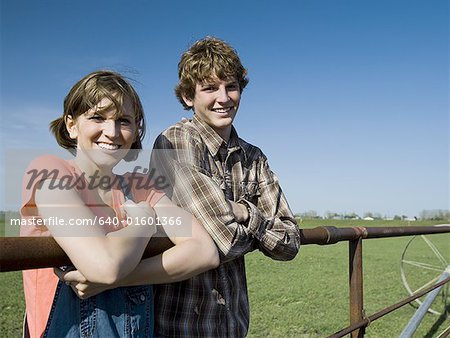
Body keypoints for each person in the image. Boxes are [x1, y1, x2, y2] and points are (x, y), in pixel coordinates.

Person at [20, 70, 219, 337]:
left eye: (123, 121)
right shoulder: (51, 173)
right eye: (97, 117)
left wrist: (119, 279)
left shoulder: (140, 186)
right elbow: (104, 266)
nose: (112, 132)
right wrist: (146, 222)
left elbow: (204, 251)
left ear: (136, 129)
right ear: (71, 125)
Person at [150, 37, 301, 337]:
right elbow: (224, 240)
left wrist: (245, 212)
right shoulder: (177, 141)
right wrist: (260, 227)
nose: (224, 97)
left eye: (230, 86)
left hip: (233, 325)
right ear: (188, 97)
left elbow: (291, 243)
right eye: (209, 88)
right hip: (179, 325)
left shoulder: (253, 156)